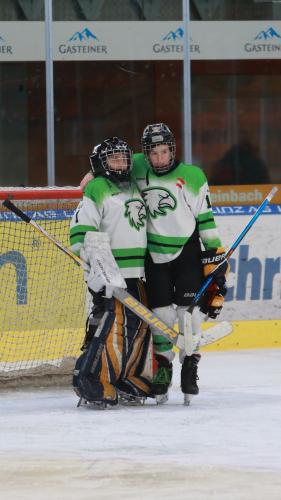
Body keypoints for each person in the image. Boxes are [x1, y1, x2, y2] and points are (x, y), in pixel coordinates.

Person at [80, 124, 229, 405]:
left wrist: (216, 258)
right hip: (154, 258)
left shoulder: (193, 176)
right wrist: (92, 174)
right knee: (161, 318)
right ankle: (164, 368)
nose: (160, 158)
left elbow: (207, 221)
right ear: (146, 154)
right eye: (154, 153)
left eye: (164, 151)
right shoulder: (137, 164)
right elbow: (112, 160)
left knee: (190, 316)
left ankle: (190, 364)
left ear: (172, 149)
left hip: (186, 254)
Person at [70, 137, 152, 408]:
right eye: (113, 158)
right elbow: (81, 232)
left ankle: (125, 377)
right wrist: (95, 265)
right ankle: (92, 379)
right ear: (100, 164)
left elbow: (150, 157)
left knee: (138, 326)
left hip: (136, 272)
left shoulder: (133, 185)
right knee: (112, 327)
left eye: (124, 157)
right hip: (111, 273)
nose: (121, 163)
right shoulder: (97, 188)